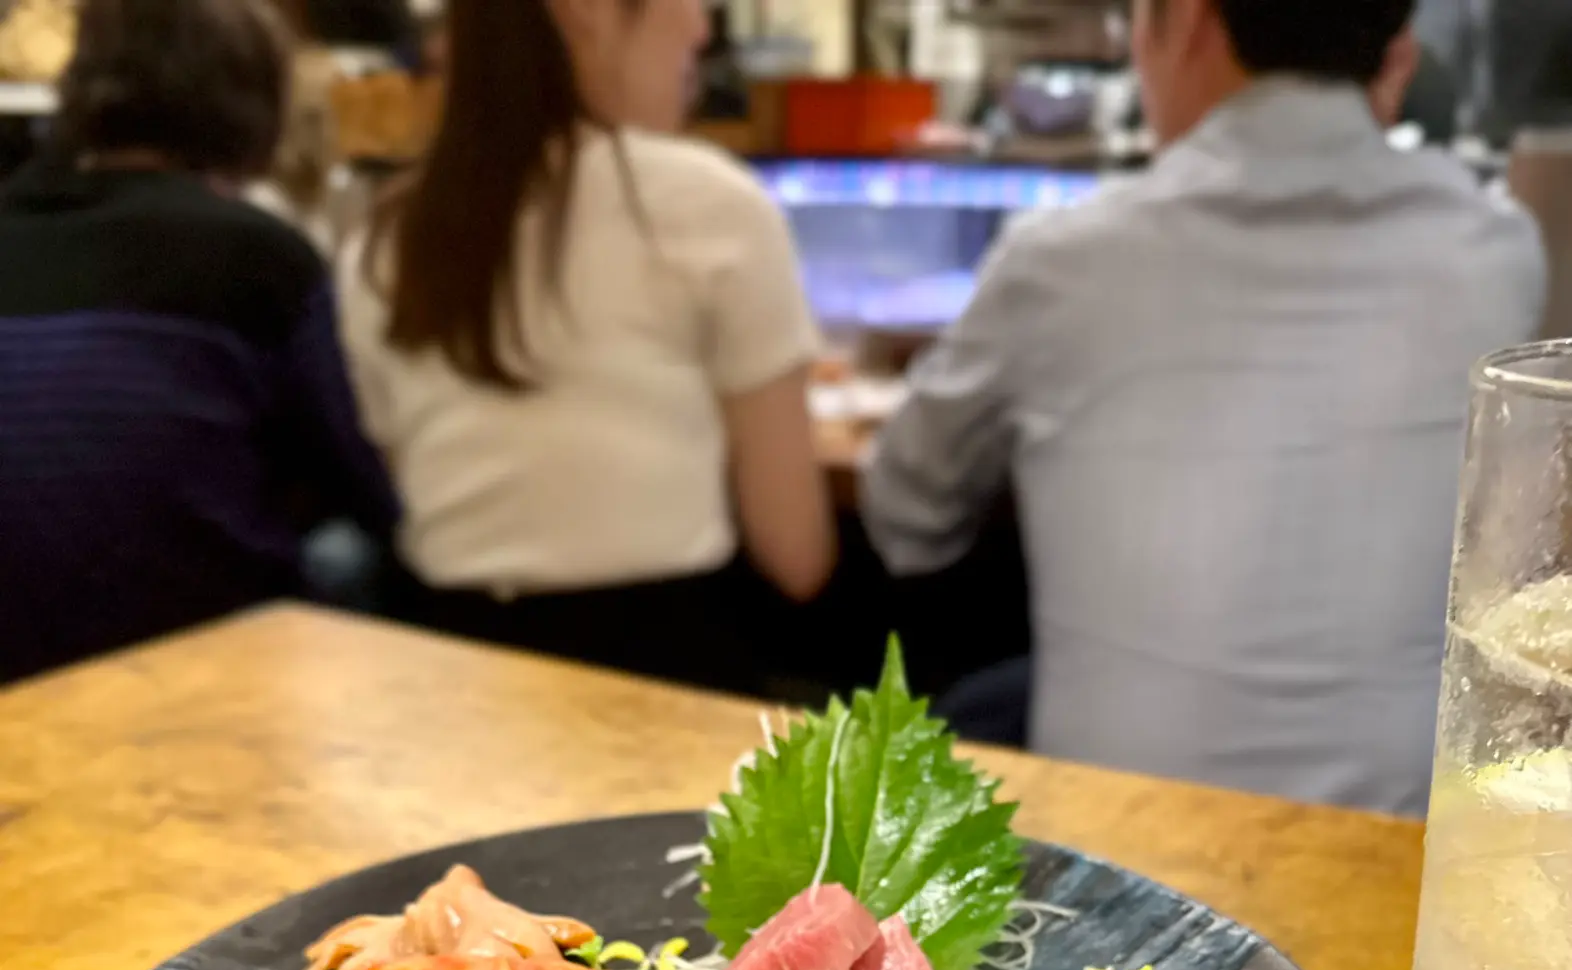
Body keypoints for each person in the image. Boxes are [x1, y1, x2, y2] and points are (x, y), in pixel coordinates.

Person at [862, 0, 1546, 812]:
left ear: (1182, 19)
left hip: (1123, 860)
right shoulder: (1497, 256)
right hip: (1402, 842)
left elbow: (904, 518)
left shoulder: (1063, 259)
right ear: (1390, 54)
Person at [335, 0, 834, 694]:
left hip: (445, 678)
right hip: (661, 676)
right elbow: (795, 555)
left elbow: (406, 479)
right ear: (586, 12)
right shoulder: (712, 203)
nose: (700, 27)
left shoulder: (384, 239)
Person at [0, 0, 397, 686]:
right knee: (363, 554)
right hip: (192, 659)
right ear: (250, 106)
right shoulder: (258, 256)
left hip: (16, 664)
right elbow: (360, 482)